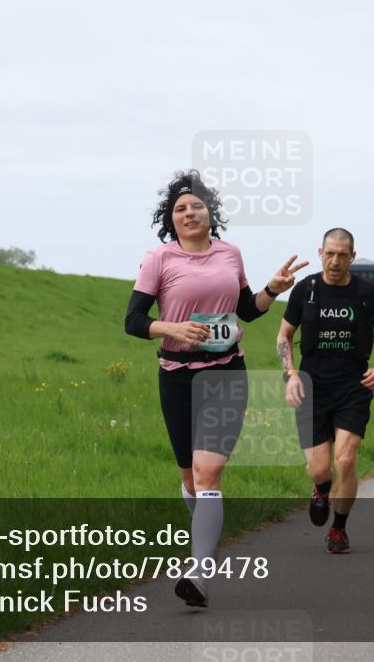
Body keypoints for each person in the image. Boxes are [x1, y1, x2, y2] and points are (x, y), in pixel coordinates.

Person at [125, 170, 307, 606]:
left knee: (209, 472)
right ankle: (204, 547)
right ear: (172, 220)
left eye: (197, 206)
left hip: (226, 373)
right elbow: (132, 321)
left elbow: (247, 308)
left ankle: (200, 573)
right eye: (180, 209)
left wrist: (271, 290)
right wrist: (170, 327)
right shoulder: (159, 259)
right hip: (176, 374)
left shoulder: (230, 253)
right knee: (190, 478)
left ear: (211, 213)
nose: (189, 213)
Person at [277, 228, 374, 554]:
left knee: (345, 460)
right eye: (329, 253)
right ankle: (321, 490)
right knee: (320, 469)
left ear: (352, 257)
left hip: (353, 387)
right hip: (312, 386)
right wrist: (290, 374)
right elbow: (284, 336)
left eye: (342, 255)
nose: (335, 260)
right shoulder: (306, 290)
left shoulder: (367, 293)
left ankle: (339, 529)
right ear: (320, 253)